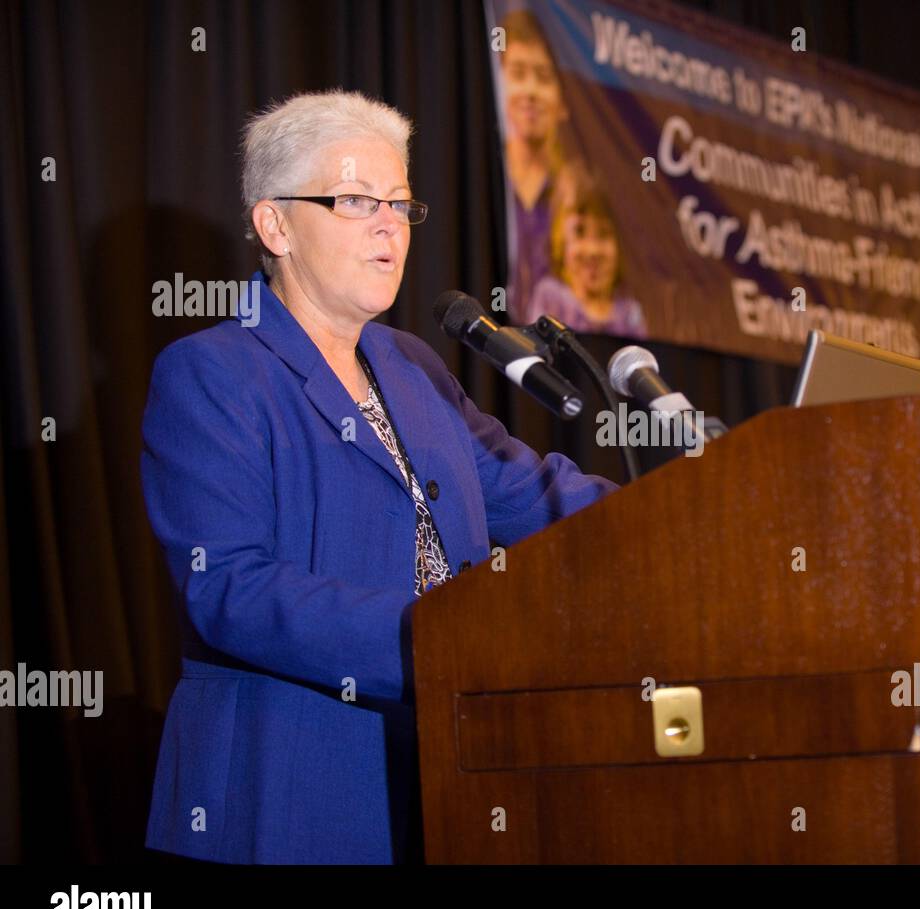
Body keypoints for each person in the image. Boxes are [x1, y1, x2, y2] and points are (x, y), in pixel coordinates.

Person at [140, 89, 617, 864]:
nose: (391, 225)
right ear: (275, 223)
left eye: (399, 202)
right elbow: (229, 587)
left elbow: (527, 492)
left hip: (447, 785)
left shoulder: (412, 365)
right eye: (357, 200)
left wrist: (692, 509)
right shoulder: (212, 372)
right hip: (288, 794)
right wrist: (435, 640)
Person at [499, 8, 568, 322]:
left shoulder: (577, 194)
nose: (529, 91)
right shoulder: (484, 184)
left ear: (562, 99)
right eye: (518, 73)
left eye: (542, 77)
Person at [528, 166, 647, 338]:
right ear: (560, 240)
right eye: (579, 232)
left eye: (604, 234)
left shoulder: (630, 314)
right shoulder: (550, 298)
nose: (592, 250)